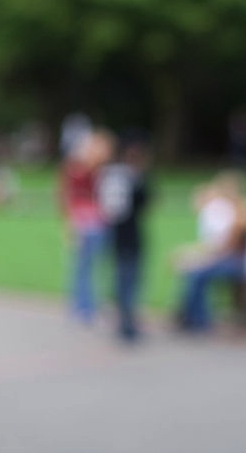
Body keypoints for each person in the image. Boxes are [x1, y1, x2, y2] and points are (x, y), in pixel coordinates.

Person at [174, 171, 246, 332]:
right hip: (229, 259)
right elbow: (216, 245)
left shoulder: (240, 213)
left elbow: (228, 248)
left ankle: (199, 320)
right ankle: (187, 316)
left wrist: (200, 258)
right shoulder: (226, 213)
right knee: (191, 271)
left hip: (239, 263)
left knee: (197, 274)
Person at [98, 135, 151, 342]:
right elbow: (144, 202)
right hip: (128, 233)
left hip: (115, 232)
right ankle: (126, 322)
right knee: (128, 278)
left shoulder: (109, 174)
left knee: (122, 277)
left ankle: (124, 319)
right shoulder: (130, 176)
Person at [59, 128, 114, 324]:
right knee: (82, 266)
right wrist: (69, 224)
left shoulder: (104, 171)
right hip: (83, 224)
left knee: (96, 266)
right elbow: (67, 198)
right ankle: (82, 306)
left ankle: (92, 303)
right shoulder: (77, 169)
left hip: (100, 224)